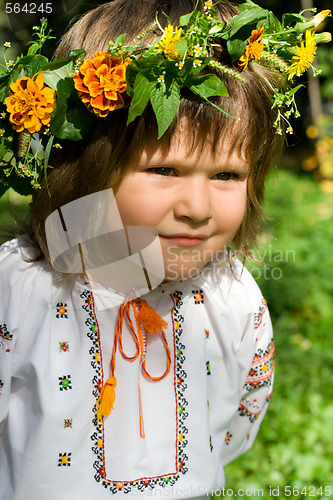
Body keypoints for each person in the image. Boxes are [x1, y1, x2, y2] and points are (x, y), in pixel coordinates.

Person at [0, 1, 330, 499]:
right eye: (164, 170)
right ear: (83, 165)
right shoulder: (22, 292)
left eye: (227, 175)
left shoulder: (231, 297)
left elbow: (240, 416)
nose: (197, 207)